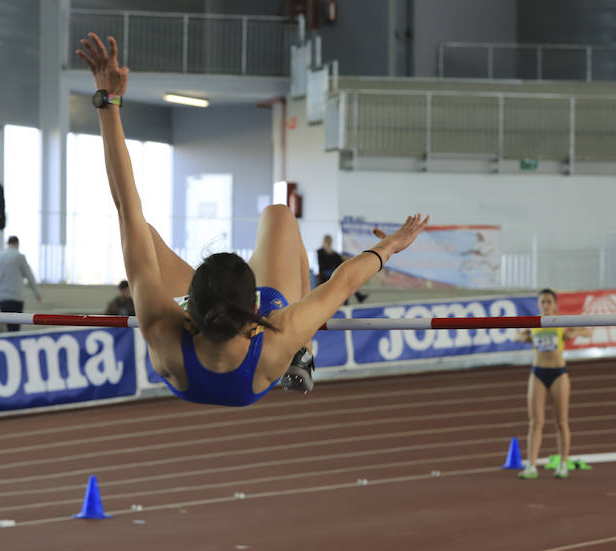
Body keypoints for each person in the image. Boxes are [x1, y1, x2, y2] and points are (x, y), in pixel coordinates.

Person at [76, 33, 429, 404]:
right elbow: (342, 282)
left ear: (187, 303)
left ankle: (286, 342)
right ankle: (303, 354)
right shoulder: (279, 336)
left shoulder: (160, 328)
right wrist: (389, 246)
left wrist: (109, 104)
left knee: (139, 231)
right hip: (260, 362)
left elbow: (126, 208)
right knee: (278, 214)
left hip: (191, 355)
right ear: (258, 309)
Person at [515, 289, 591, 480]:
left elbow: (587, 331)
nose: (546, 305)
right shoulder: (534, 323)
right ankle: (531, 466)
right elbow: (517, 336)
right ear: (538, 304)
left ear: (555, 304)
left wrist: (572, 333)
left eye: (549, 302)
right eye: (542, 302)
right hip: (538, 373)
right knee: (535, 422)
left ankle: (563, 464)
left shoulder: (562, 322)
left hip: (558, 373)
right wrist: (524, 337)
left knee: (561, 421)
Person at [0, 236, 41, 332]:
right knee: (14, 330)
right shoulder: (19, 257)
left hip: (2, 299)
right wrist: (37, 293)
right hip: (16, 298)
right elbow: (29, 276)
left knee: (8, 327)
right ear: (17, 244)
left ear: (7, 243)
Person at [317, 235, 368, 304]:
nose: (329, 243)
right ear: (324, 242)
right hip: (325, 273)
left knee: (346, 280)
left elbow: (340, 261)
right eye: (327, 242)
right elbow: (322, 265)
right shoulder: (320, 252)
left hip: (334, 272)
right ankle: (357, 296)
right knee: (344, 279)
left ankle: (350, 300)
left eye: (330, 242)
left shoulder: (334, 253)